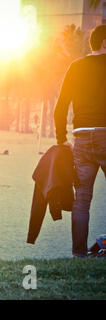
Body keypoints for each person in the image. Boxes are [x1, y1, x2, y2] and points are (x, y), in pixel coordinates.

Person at [53, 24, 106, 258]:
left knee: (82, 199)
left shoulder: (75, 67)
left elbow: (60, 107)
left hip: (82, 138)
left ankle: (79, 254)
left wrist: (62, 139)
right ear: (104, 43)